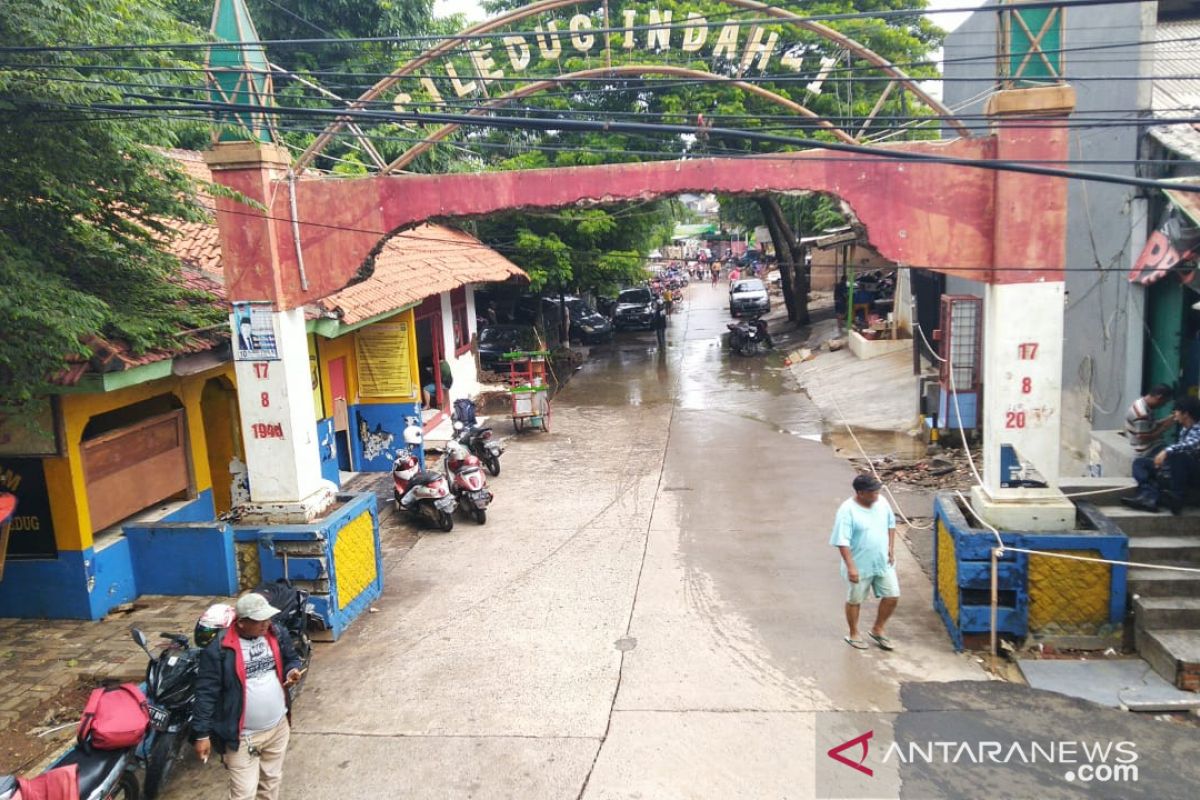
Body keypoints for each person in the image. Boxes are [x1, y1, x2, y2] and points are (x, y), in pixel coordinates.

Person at [192, 592, 303, 800]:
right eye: (259, 621)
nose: (265, 624)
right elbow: (206, 693)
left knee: (271, 783)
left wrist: (291, 671)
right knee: (244, 794)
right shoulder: (219, 649)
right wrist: (201, 734)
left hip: (278, 727)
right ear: (241, 623)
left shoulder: (275, 633)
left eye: (267, 618)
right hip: (242, 738)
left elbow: (291, 658)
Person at [830, 474, 899, 651]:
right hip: (859, 565)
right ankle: (853, 633)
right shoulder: (847, 511)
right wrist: (851, 567)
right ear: (861, 493)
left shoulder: (882, 502)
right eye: (873, 492)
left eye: (877, 491)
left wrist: (891, 547)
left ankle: (878, 629)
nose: (877, 495)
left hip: (882, 561)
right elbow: (842, 541)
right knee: (855, 599)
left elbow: (891, 524)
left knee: (892, 595)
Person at [1123, 396, 1200, 514]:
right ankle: (1149, 496)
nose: (1175, 414)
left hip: (1194, 474)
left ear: (1186, 414)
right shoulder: (1184, 429)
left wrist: (1166, 451)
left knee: (1179, 456)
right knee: (1140, 463)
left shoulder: (1198, 429)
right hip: (1178, 472)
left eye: (1177, 411)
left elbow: (1190, 445)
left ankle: (1177, 498)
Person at [1125, 384, 1174, 457]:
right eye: (1164, 402)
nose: (1164, 405)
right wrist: (1164, 427)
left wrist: (1167, 420)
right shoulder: (1141, 414)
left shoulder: (1142, 402)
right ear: (1159, 397)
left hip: (1150, 444)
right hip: (1145, 450)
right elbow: (1143, 438)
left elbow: (1149, 425)